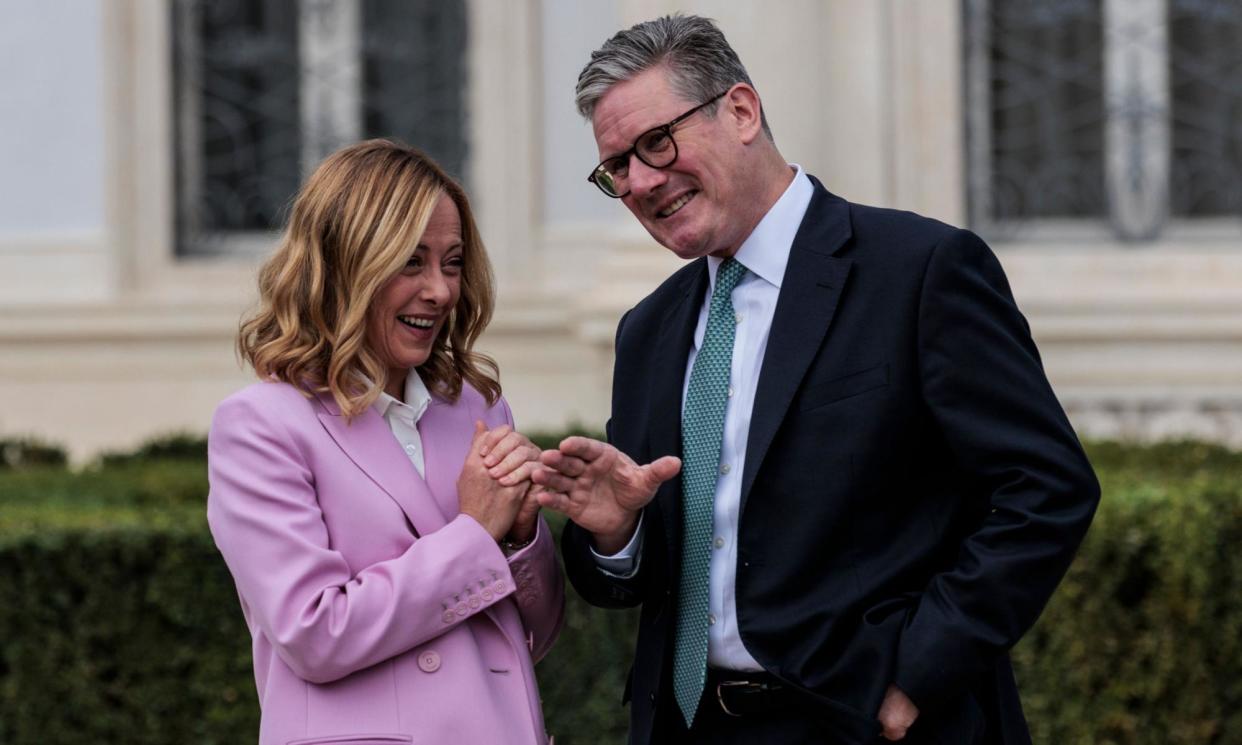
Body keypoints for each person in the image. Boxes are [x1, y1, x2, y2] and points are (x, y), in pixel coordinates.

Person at [534, 15, 1099, 745]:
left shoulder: (918, 271)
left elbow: (1046, 487)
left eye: (655, 143)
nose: (641, 181)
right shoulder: (647, 331)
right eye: (618, 167)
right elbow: (629, 580)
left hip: (868, 723)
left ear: (740, 110)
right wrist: (618, 533)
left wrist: (915, 673)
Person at [207, 139, 564, 745]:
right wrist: (477, 535)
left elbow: (538, 631)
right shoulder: (262, 425)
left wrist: (522, 533)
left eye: (452, 263)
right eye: (411, 262)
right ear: (345, 265)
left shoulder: (476, 408)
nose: (441, 291)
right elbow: (313, 633)